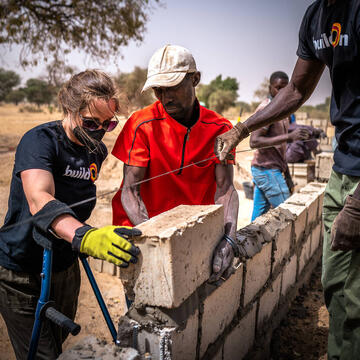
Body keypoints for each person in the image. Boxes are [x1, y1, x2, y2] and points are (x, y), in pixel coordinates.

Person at [215, 1, 360, 358]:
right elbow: (297, 90)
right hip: (342, 171)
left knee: (354, 297)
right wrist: (243, 128)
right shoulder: (317, 17)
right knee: (336, 285)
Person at [0, 70, 141, 360]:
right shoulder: (40, 141)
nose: (99, 131)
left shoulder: (96, 152)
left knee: (58, 346)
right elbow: (40, 197)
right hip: (19, 270)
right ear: (69, 109)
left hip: (64, 266)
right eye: (90, 122)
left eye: (108, 124)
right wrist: (83, 234)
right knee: (43, 355)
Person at [112, 45, 239, 283]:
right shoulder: (142, 124)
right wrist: (156, 240)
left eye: (172, 87)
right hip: (142, 232)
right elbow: (130, 191)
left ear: (195, 79)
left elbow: (225, 189)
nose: (165, 97)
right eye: (158, 90)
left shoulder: (220, 129)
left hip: (193, 235)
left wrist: (229, 238)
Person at [250, 71, 310, 221]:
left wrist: (288, 175)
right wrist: (290, 137)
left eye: (285, 88)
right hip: (267, 170)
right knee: (289, 216)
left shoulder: (283, 111)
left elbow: (279, 149)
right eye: (278, 88)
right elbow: (254, 141)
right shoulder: (266, 109)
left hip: (269, 169)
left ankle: (245, 244)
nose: (281, 92)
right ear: (270, 88)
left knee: (257, 222)